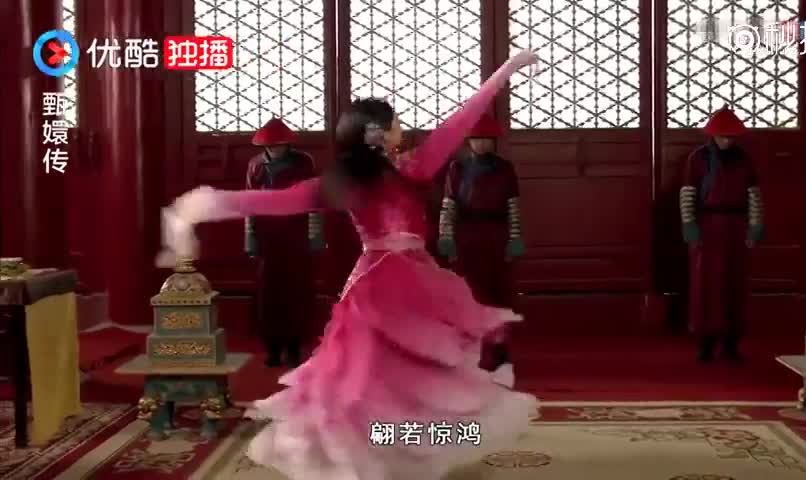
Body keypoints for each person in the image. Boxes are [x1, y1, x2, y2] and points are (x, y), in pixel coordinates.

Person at [156, 50, 540, 480]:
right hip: (388, 285)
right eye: (394, 123)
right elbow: (272, 201)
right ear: (376, 134)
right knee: (390, 380)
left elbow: (458, 124)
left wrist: (504, 73)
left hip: (394, 282)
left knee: (396, 380)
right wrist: (204, 206)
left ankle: (393, 454)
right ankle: (380, 455)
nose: (400, 128)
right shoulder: (383, 174)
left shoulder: (399, 170)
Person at [437, 115, 524, 384]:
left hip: (497, 235)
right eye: (477, 139)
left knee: (498, 294)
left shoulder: (505, 168)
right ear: (469, 141)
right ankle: (470, 353)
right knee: (470, 294)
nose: (482, 144)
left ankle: (499, 351)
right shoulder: (458, 168)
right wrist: (446, 236)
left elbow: (513, 206)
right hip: (468, 236)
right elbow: (449, 205)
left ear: (494, 142)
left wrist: (515, 237)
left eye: (487, 139)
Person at [679, 106, 764, 362]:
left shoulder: (745, 159)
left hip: (736, 226)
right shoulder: (698, 158)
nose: (727, 140)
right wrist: (690, 227)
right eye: (723, 136)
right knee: (706, 285)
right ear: (713, 135)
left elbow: (754, 194)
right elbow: (688, 193)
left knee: (734, 284)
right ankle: (706, 342)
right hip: (708, 225)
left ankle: (731, 343)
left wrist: (755, 227)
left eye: (731, 136)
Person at [245, 118, 324, 368]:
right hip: (268, 237)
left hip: (296, 234)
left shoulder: (303, 162)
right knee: (269, 294)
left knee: (296, 292)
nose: (276, 149)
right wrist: (251, 240)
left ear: (288, 144)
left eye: (279, 144)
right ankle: (272, 348)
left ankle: (294, 348)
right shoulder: (255, 165)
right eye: (271, 145)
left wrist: (315, 237)